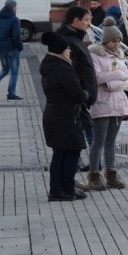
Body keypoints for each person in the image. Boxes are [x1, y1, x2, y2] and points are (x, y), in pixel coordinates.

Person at [39, 32, 90, 201]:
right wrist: (85, 93)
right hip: (66, 117)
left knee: (60, 154)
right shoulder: (62, 68)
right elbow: (77, 94)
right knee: (71, 153)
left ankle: (58, 189)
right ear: (62, 50)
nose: (69, 51)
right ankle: (66, 189)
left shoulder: (49, 65)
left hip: (55, 115)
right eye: (68, 49)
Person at [85, 17, 128, 191]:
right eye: (113, 40)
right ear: (105, 40)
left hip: (118, 104)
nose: (116, 43)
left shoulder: (119, 56)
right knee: (98, 141)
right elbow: (97, 77)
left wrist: (113, 83)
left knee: (111, 142)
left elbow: (127, 79)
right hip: (102, 104)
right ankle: (94, 174)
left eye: (118, 40)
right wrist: (118, 76)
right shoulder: (95, 54)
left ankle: (111, 173)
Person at [57, 6, 98, 176]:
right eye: (86, 20)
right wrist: (83, 94)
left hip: (81, 99)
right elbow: (70, 73)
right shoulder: (68, 41)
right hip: (75, 101)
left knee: (80, 138)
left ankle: (76, 177)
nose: (89, 24)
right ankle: (70, 180)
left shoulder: (76, 38)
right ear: (76, 21)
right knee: (74, 142)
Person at [0, 0, 23, 100]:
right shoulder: (15, 20)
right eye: (15, 6)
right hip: (12, 49)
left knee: (5, 69)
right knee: (14, 72)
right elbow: (16, 36)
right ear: (12, 7)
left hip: (2, 49)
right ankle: (11, 93)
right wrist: (20, 47)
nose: (16, 8)